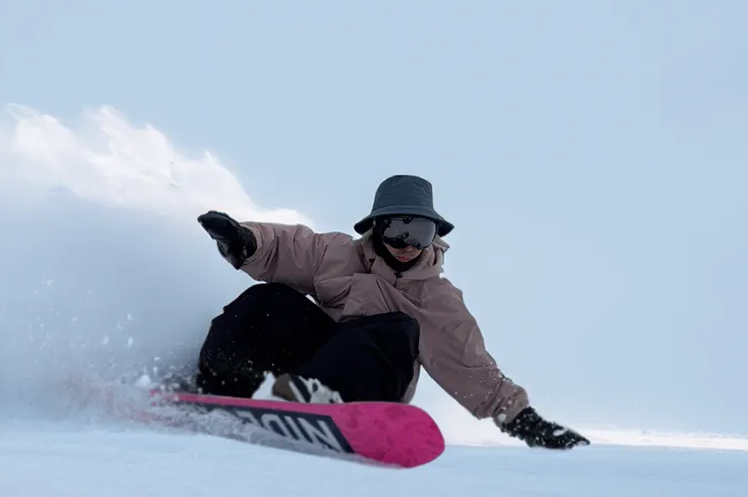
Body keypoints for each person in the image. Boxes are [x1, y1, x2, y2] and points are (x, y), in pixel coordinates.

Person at [190, 174, 589, 450]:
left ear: (434, 236)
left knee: (396, 328)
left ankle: (333, 403)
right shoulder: (336, 254)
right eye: (396, 229)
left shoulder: (438, 300)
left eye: (419, 233)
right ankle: (215, 387)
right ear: (376, 227)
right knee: (271, 299)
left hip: (370, 386)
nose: (406, 243)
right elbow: (286, 247)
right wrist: (243, 239)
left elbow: (471, 366)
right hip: (312, 370)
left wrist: (525, 422)